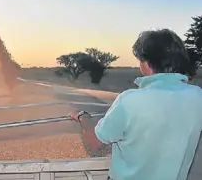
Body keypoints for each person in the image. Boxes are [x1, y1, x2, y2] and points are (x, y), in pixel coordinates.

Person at [69, 29, 202, 180]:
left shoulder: (130, 100)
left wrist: (82, 117)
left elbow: (95, 141)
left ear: (147, 63)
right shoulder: (197, 95)